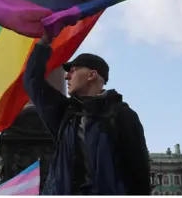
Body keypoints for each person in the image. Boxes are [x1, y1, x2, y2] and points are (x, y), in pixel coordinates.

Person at [23, 32, 151, 195]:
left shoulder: (121, 115)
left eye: (73, 70)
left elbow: (138, 172)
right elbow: (32, 81)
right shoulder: (64, 113)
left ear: (92, 75)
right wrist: (44, 43)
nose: (67, 76)